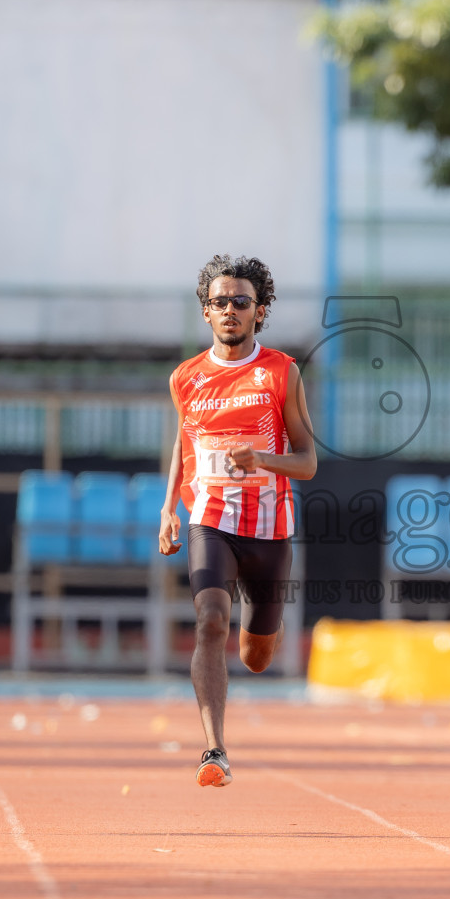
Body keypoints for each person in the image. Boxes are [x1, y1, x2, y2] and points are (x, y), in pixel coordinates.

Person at [159, 255, 316, 788]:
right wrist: (167, 510)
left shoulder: (280, 371)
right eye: (219, 302)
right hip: (210, 518)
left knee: (255, 655)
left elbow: (308, 462)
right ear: (206, 312)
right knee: (209, 622)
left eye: (240, 302)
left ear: (259, 311)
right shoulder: (186, 378)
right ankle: (213, 750)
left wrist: (263, 459)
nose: (229, 310)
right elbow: (183, 448)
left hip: (269, 526)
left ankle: (258, 632)